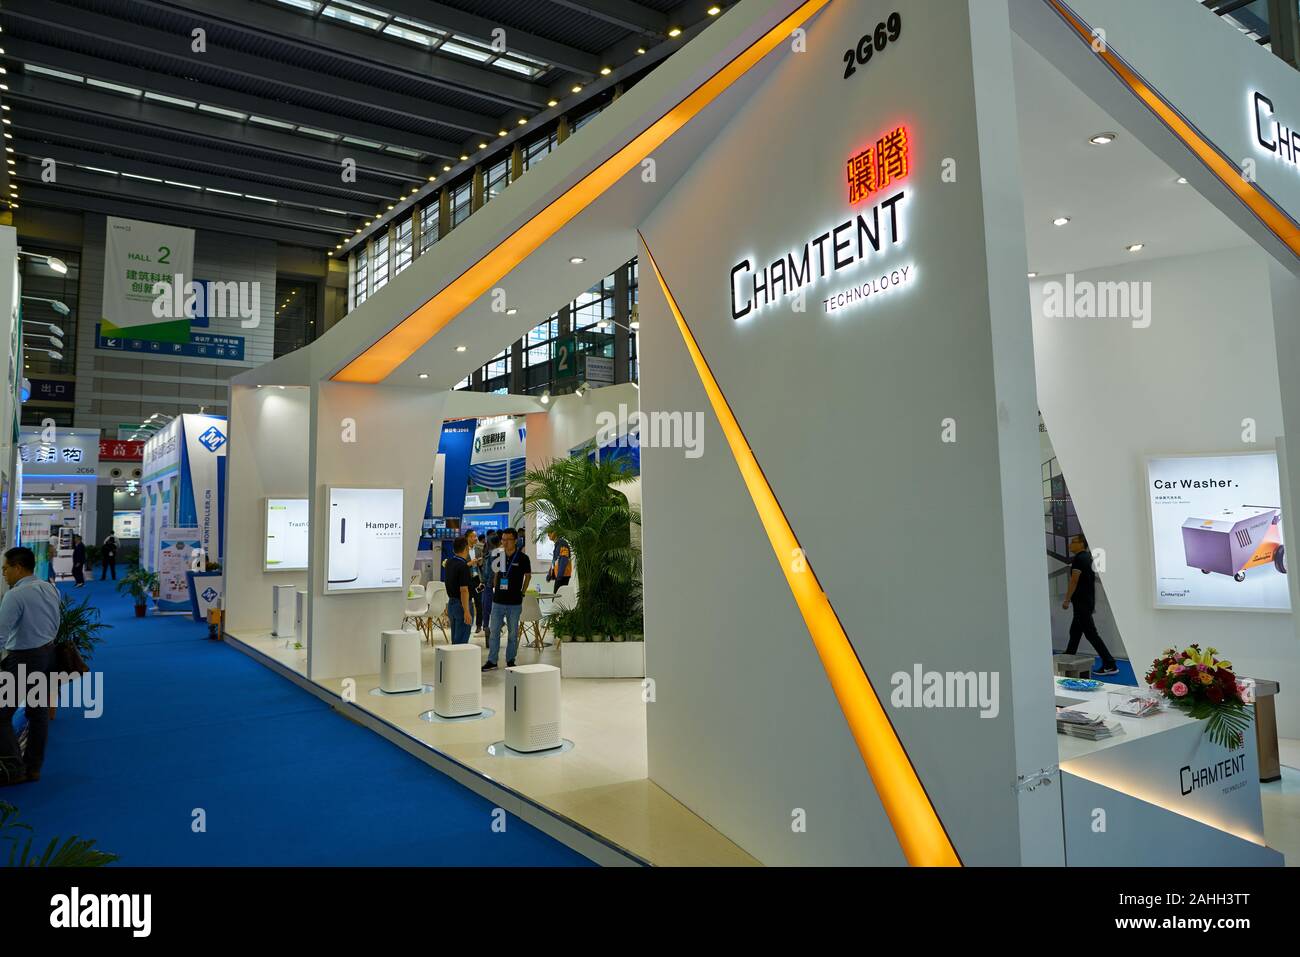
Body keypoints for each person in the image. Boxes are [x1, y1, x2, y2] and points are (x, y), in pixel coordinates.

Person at [0, 547, 63, 786]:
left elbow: (1, 635)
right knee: (38, 713)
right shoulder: (49, 588)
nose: (4, 574)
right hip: (47, 654)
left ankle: (13, 769)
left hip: (23, 659)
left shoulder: (15, 596)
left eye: (5, 569)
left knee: (2, 715)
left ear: (18, 567)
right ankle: (33, 767)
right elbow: (56, 622)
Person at [1061, 535, 1119, 677]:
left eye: (1073, 542)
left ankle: (1110, 663)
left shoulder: (1079, 560)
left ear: (1081, 544)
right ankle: (1069, 655)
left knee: (1091, 634)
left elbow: (1074, 581)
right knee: (1075, 632)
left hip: (1081, 602)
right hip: (1085, 601)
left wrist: (1067, 599)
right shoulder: (1087, 558)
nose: (1070, 545)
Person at [483, 527, 530, 671]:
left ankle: (510, 659)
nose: (504, 542)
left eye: (508, 540)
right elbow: (497, 574)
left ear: (515, 541)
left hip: (514, 602)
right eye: (503, 539)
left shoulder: (522, 558)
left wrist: (522, 592)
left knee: (512, 634)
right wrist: (495, 588)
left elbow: (527, 576)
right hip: (498, 601)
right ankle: (492, 661)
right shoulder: (499, 555)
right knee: (494, 632)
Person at [443, 536, 474, 645]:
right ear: (466, 548)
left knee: (455, 639)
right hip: (462, 604)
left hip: (452, 603)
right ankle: (459, 661)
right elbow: (464, 590)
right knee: (462, 640)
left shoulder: (449, 563)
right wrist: (466, 611)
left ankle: (454, 660)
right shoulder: (463, 566)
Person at [480, 532, 499, 641]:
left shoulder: (493, 554)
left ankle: (487, 627)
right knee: (489, 608)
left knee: (487, 607)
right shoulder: (492, 553)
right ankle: (488, 627)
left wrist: (489, 583)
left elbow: (493, 572)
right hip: (489, 585)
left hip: (490, 585)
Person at [465, 529, 484, 635]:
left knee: (479, 603)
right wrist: (470, 563)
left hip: (477, 579)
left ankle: (478, 625)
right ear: (467, 538)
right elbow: (461, 565)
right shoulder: (463, 549)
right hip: (467, 580)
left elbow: (481, 565)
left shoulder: (478, 549)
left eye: (476, 536)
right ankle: (467, 623)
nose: (475, 538)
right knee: (467, 603)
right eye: (473, 536)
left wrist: (480, 563)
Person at [545, 529, 572, 595]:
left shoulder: (562, 543)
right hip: (560, 575)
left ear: (555, 532)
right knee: (557, 598)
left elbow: (564, 560)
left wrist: (559, 576)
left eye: (550, 532)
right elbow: (554, 561)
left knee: (557, 598)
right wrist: (550, 574)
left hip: (563, 576)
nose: (548, 534)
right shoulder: (557, 544)